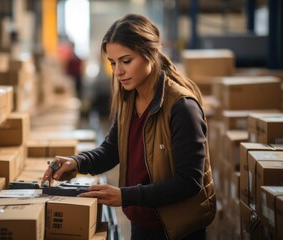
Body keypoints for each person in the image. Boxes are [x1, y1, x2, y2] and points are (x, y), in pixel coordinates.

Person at [42, 13, 216, 240]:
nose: (118, 71)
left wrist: (125, 196)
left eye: (126, 61)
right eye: (113, 63)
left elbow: (189, 182)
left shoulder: (182, 107)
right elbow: (111, 150)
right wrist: (77, 162)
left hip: (178, 230)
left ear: (151, 53)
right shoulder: (128, 99)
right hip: (142, 223)